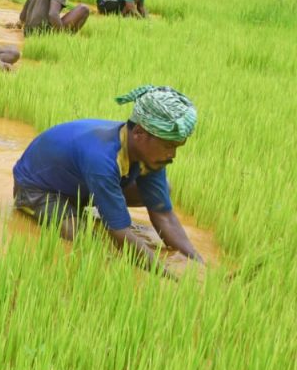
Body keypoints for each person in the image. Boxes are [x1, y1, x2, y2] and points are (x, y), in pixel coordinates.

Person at [12, 86, 204, 276]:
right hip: (38, 190)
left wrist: (198, 262)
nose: (173, 154)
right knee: (87, 241)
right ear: (139, 133)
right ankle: (90, 213)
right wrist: (168, 275)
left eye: (177, 147)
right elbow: (121, 233)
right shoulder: (102, 158)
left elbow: (164, 216)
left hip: (81, 185)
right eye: (168, 145)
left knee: (164, 190)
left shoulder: (149, 155)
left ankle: (103, 210)